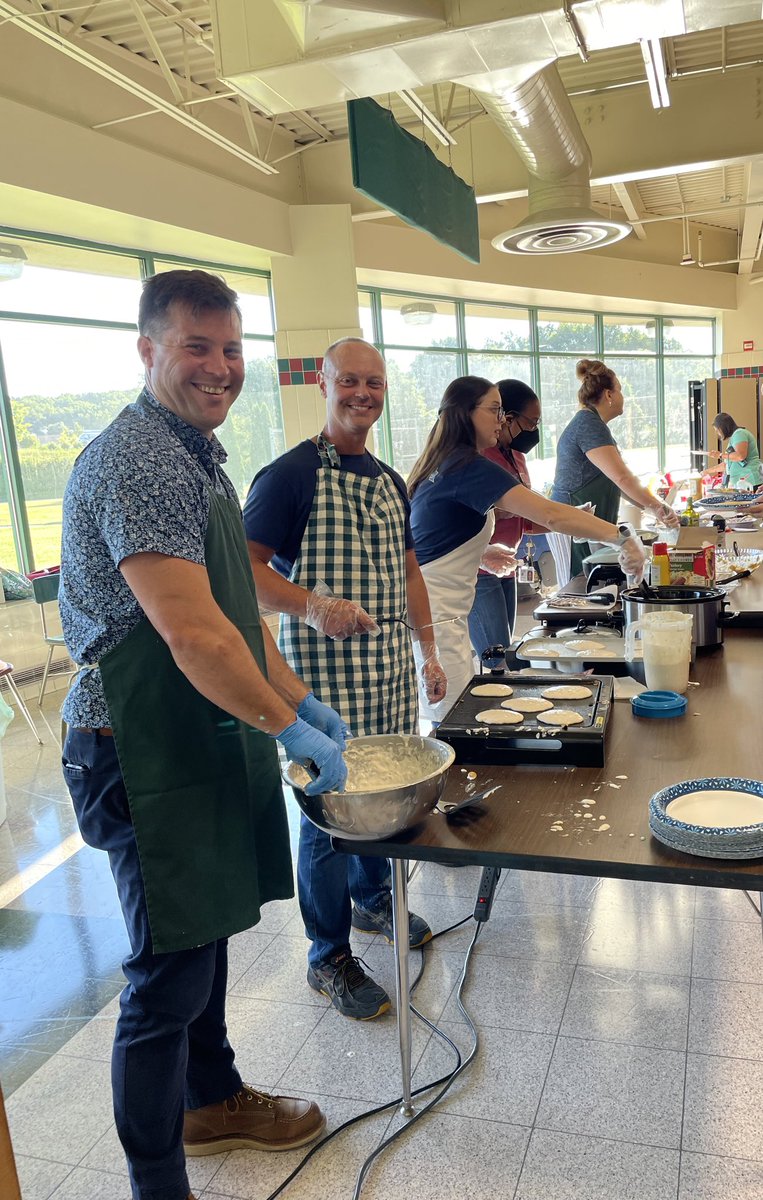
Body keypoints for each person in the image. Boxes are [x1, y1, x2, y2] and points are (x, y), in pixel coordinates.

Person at [59, 270, 349, 1200]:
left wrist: (300, 703)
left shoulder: (192, 455)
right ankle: (158, 1182)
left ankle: (212, 1098)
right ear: (148, 350)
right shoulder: (140, 460)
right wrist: (289, 734)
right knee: (164, 975)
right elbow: (189, 636)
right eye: (197, 346)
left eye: (231, 349)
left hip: (195, 733)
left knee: (208, 929)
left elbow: (236, 616)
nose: (221, 368)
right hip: (136, 748)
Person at [244, 337, 448, 1021]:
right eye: (350, 381)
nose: (363, 393)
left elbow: (409, 571)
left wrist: (427, 651)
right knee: (329, 817)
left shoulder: (391, 480)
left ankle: (371, 902)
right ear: (324, 384)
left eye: (375, 383)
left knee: (384, 795)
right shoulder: (288, 477)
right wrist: (309, 605)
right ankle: (326, 955)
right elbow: (242, 573)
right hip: (319, 686)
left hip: (388, 673)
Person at [407, 376, 647, 724]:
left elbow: (438, 535)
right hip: (438, 621)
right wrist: (623, 537)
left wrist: (480, 553)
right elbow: (549, 513)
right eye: (493, 410)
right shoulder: (467, 467)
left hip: (441, 615)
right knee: (452, 723)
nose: (501, 419)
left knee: (452, 715)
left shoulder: (449, 462)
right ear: (465, 414)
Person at [550, 359, 679, 578]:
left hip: (589, 524)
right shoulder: (588, 425)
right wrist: (658, 507)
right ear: (608, 395)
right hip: (573, 522)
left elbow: (617, 483)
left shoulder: (594, 425)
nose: (622, 397)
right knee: (581, 587)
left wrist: (655, 509)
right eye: (619, 390)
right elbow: (622, 478)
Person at [467, 378, 543, 659]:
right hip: (479, 569)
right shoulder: (476, 457)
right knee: (496, 655)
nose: (534, 431)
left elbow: (530, 515)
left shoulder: (515, 455)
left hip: (504, 565)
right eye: (531, 423)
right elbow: (469, 514)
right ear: (506, 418)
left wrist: (573, 522)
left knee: (506, 649)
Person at [706, 411, 762, 489]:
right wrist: (706, 472)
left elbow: (740, 456)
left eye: (717, 430)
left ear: (723, 427)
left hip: (750, 481)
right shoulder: (734, 438)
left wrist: (720, 455)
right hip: (742, 483)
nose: (717, 433)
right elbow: (726, 465)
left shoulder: (739, 433)